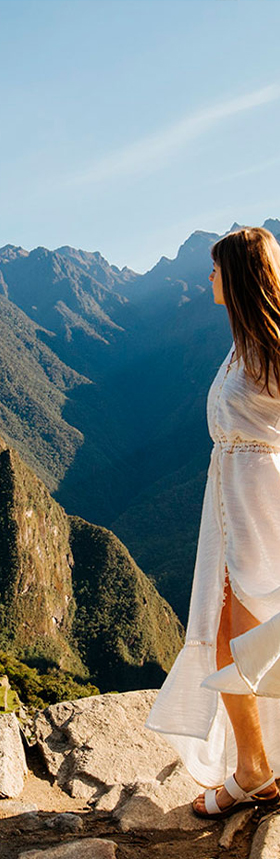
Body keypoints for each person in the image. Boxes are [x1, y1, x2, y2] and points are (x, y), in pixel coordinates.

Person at [146, 226, 280, 818]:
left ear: (240, 277)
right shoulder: (245, 340)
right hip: (233, 508)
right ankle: (253, 768)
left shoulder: (273, 345)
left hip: (265, 509)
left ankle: (253, 772)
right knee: (236, 637)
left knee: (255, 641)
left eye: (217, 269)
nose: (208, 278)